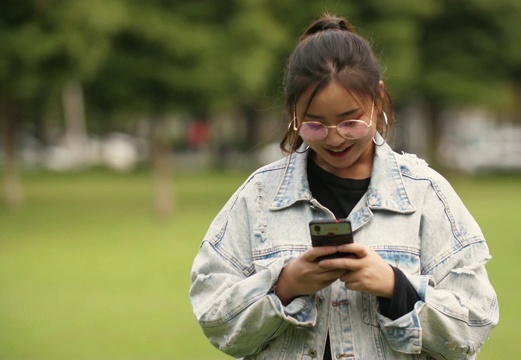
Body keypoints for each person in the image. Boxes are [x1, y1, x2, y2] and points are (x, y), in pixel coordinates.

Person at [190, 13, 499, 360]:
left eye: (351, 121)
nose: (335, 138)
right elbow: (213, 313)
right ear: (294, 112)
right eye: (315, 125)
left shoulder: (425, 194)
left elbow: (475, 322)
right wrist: (286, 285)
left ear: (378, 99)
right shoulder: (259, 196)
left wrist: (395, 287)